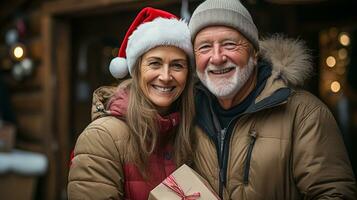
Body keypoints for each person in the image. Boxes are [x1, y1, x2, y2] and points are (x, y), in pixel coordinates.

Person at [188, 0, 357, 199]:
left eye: (229, 44)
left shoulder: (304, 113)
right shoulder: (186, 115)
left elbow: (334, 194)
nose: (217, 57)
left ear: (254, 52)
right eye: (205, 47)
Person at [68, 7, 195, 200]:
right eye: (155, 63)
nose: (166, 76)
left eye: (177, 65)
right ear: (136, 70)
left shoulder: (192, 130)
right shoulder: (102, 138)